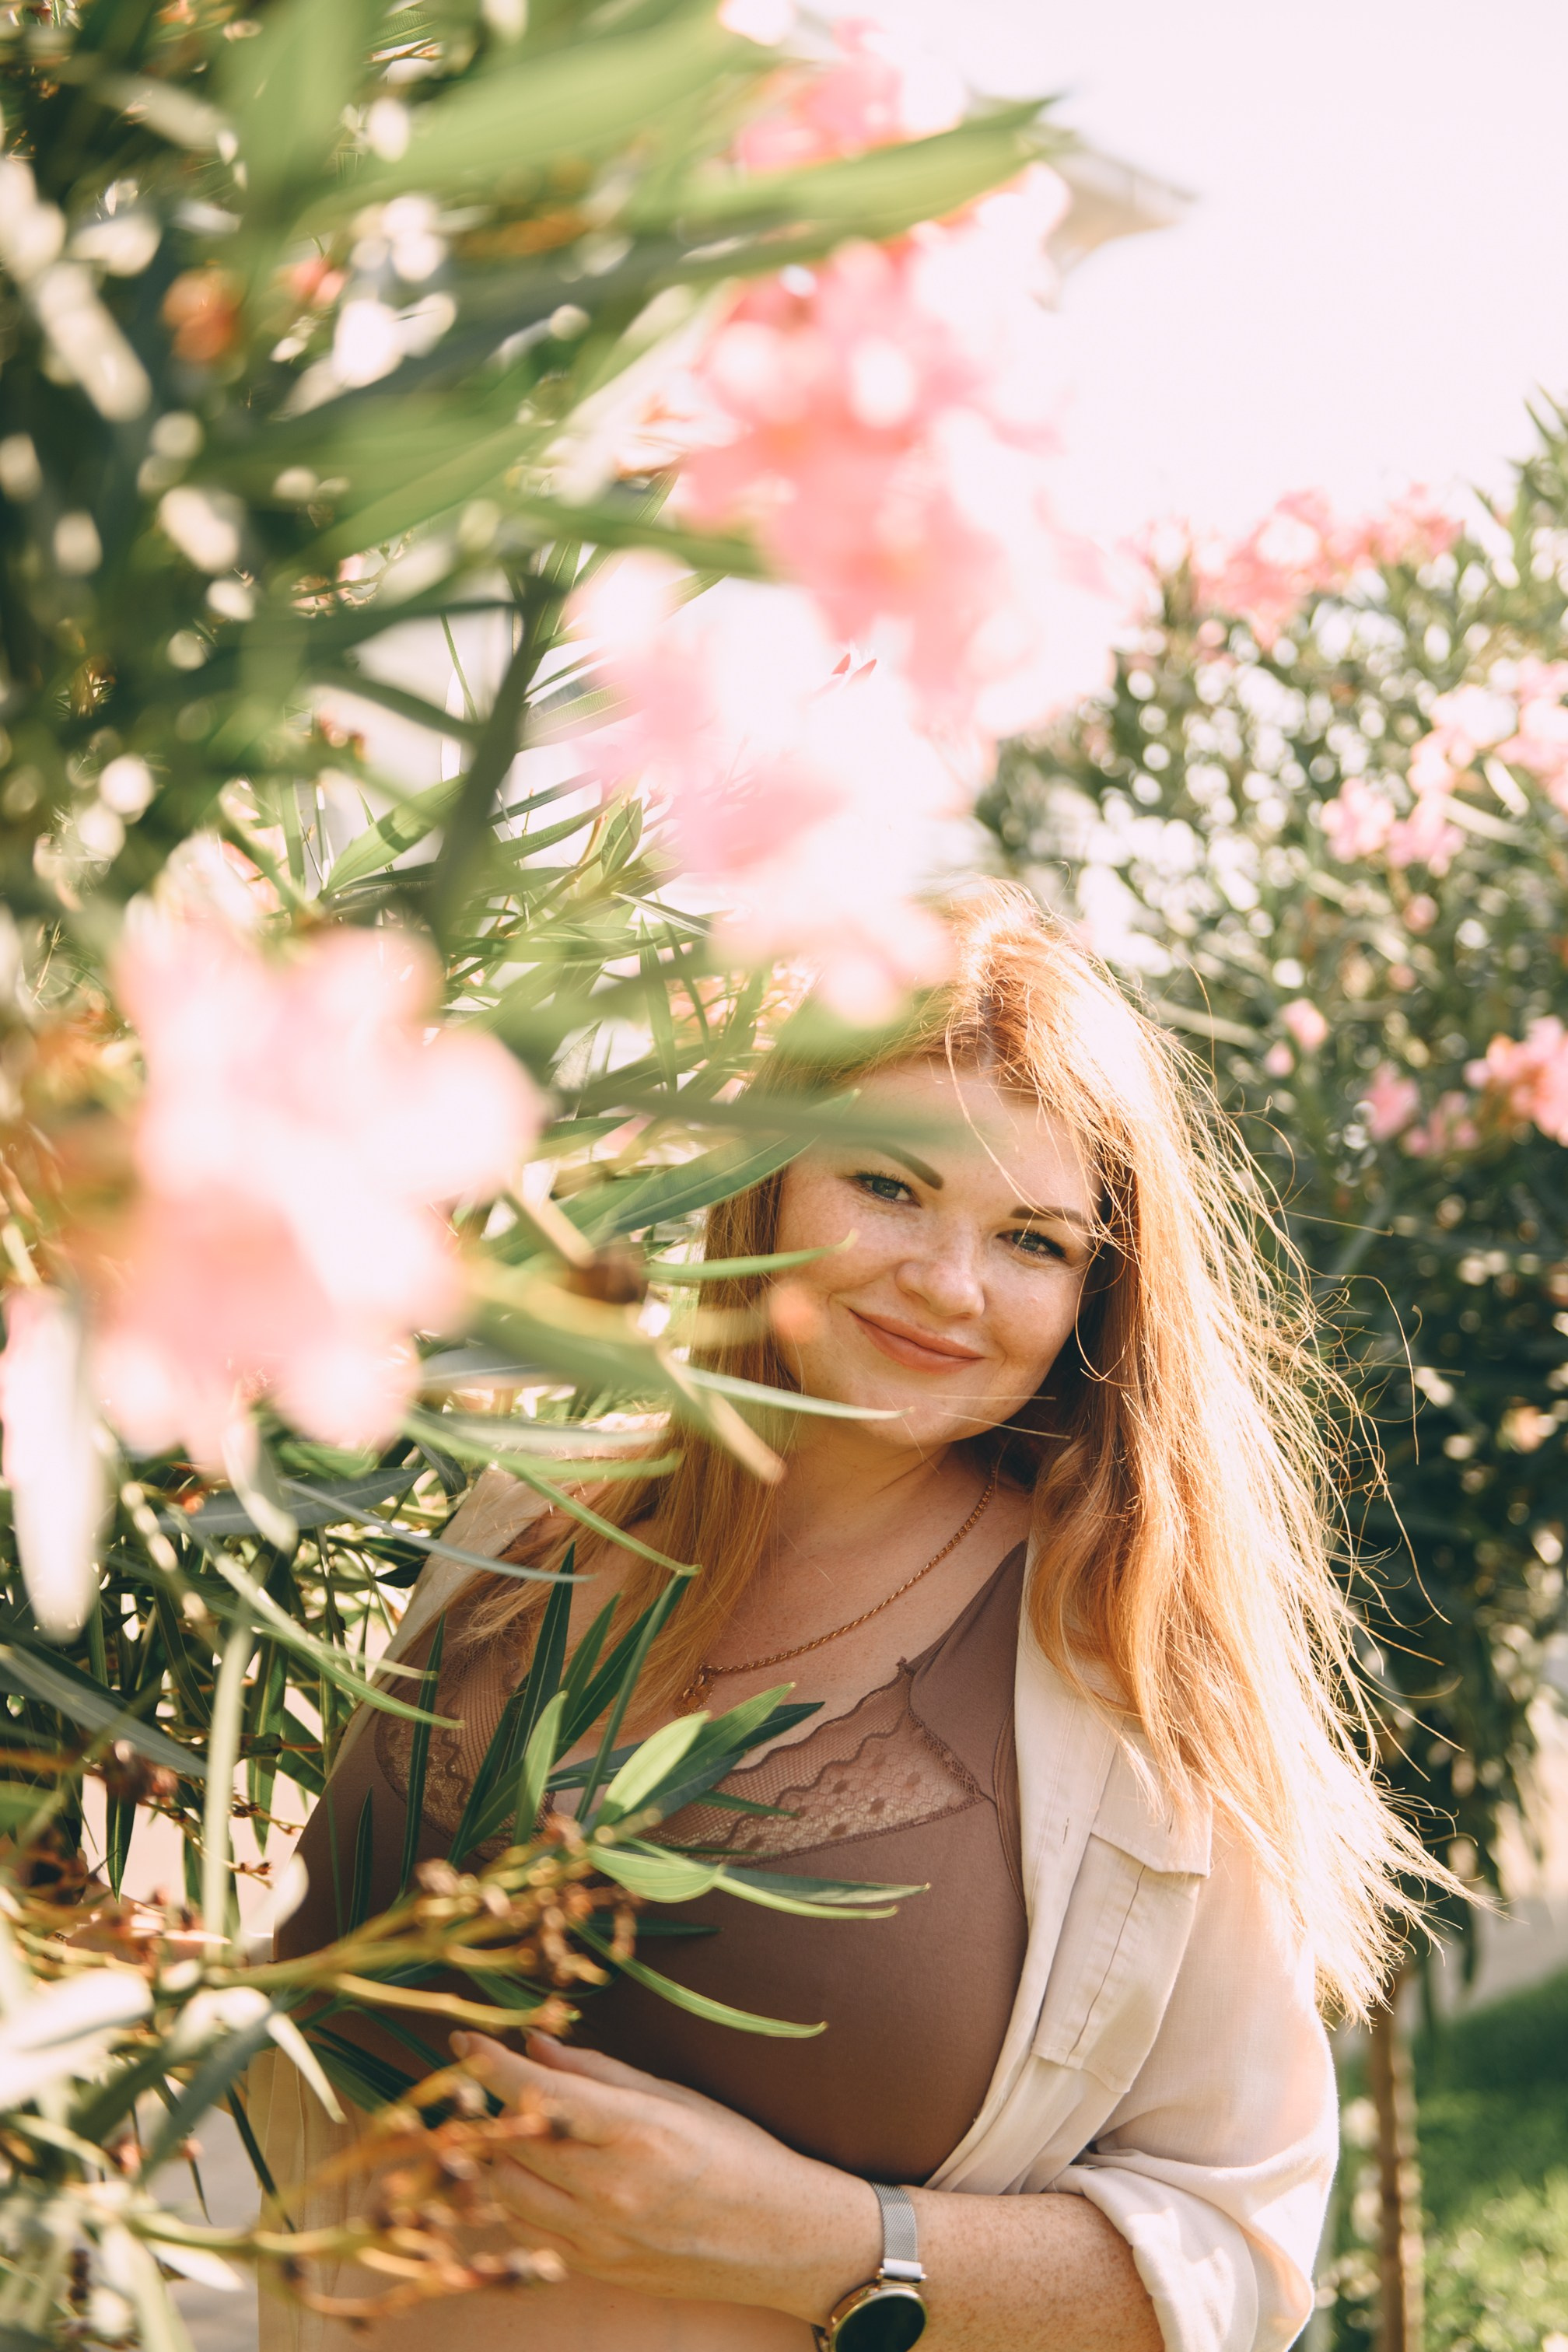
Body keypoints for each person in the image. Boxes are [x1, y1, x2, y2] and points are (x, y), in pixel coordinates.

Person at [257, 883, 1431, 2352]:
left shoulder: (1120, 1656)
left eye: (1033, 1240)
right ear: (772, 1177)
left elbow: (1234, 2257)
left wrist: (812, 2244)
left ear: (1097, 1294)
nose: (948, 1285)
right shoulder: (515, 1531)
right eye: (888, 1184)